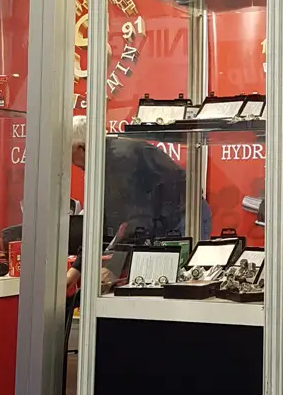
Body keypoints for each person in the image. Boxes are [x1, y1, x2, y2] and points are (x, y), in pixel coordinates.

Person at [68, 114, 196, 295]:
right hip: (158, 216)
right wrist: (77, 269)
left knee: (168, 285)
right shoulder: (103, 161)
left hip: (184, 214)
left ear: (82, 147)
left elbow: (139, 220)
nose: (70, 161)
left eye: (69, 152)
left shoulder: (121, 162)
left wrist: (113, 268)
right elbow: (100, 224)